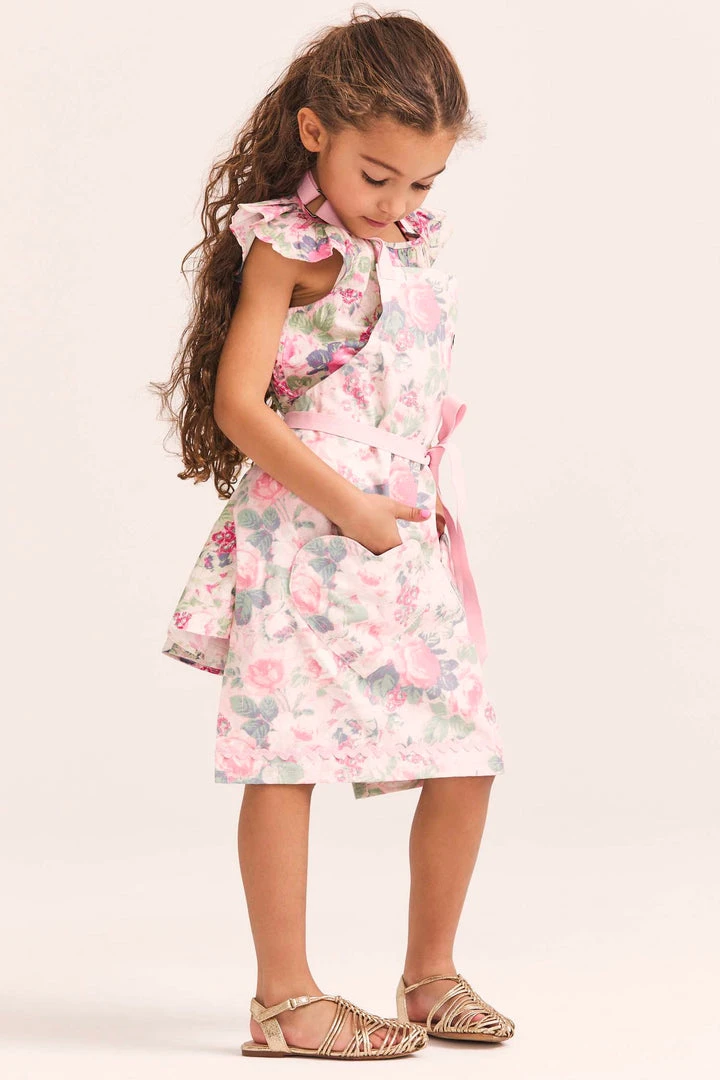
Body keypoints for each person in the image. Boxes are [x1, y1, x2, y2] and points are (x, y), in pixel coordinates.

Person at [150, 4, 514, 1062]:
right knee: (285, 757)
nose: (397, 204)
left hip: (401, 538)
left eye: (423, 184)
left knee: (465, 751)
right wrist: (348, 504)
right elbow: (240, 404)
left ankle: (430, 974)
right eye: (377, 175)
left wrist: (401, 508)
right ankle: (285, 1000)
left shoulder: (411, 244)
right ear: (317, 133)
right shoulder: (290, 245)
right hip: (306, 536)